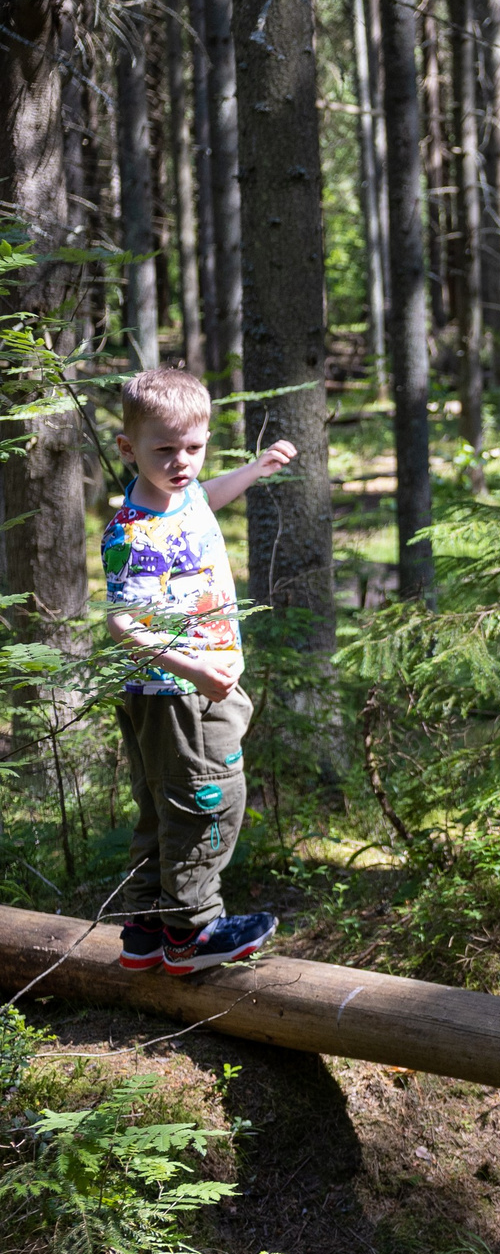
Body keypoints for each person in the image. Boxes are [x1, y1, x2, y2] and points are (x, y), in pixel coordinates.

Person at [103, 369, 297, 975]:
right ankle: (192, 933)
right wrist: (194, 672)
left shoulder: (180, 495)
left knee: (163, 806)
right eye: (164, 450)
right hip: (178, 692)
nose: (182, 461)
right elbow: (123, 625)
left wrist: (255, 470)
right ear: (128, 449)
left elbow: (203, 498)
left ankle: (143, 931)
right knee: (208, 802)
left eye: (194, 446)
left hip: (184, 687)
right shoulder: (133, 534)